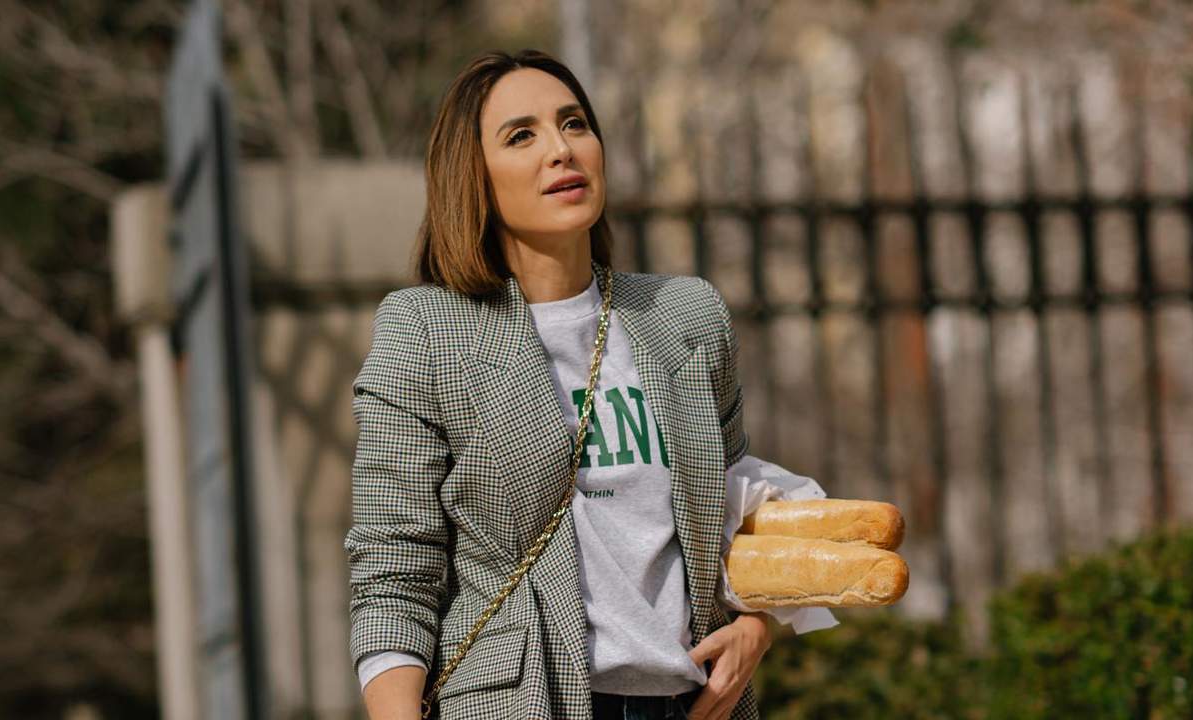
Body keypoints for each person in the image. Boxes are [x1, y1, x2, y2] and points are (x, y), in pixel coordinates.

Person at [344, 49, 839, 720]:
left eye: (574, 124)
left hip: (691, 701)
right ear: (474, 177)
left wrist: (754, 623)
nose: (561, 150)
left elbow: (731, 507)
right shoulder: (427, 331)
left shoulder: (684, 316)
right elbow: (394, 568)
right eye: (522, 135)